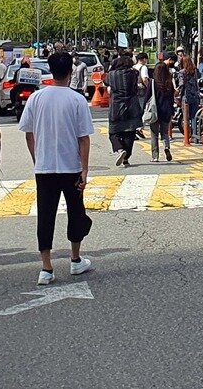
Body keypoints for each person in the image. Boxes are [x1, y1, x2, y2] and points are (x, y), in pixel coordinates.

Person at [19, 52, 94, 284]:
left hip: (44, 167)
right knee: (76, 212)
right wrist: (84, 169)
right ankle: (75, 259)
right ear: (71, 72)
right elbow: (84, 138)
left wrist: (37, 157)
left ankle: (46, 267)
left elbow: (28, 133)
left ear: (50, 71)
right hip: (71, 166)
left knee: (46, 215)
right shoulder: (77, 100)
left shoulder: (36, 98)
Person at [106, 53, 142, 167]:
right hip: (132, 106)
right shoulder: (134, 73)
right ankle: (126, 157)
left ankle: (120, 149)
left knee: (113, 132)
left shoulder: (111, 75)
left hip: (116, 107)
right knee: (130, 133)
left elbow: (105, 83)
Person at [150, 54, 176, 162]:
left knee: (154, 134)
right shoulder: (169, 83)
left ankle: (155, 156)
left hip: (155, 111)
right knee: (165, 132)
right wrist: (172, 111)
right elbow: (172, 98)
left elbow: (147, 97)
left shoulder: (153, 83)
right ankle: (166, 147)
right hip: (166, 110)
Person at [178, 52, 201, 138]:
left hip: (186, 96)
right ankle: (194, 135)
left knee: (186, 117)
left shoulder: (182, 72)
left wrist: (177, 92)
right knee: (194, 116)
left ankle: (187, 135)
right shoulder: (194, 71)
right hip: (195, 96)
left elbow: (181, 84)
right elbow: (196, 83)